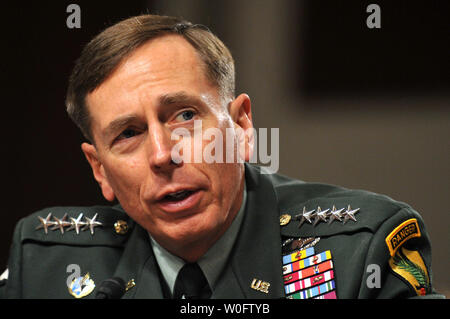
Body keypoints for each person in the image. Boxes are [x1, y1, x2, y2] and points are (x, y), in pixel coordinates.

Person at [0, 14, 444, 299]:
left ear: (242, 126)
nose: (161, 155)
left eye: (185, 116)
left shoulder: (361, 252)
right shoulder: (43, 265)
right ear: (101, 171)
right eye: (129, 134)